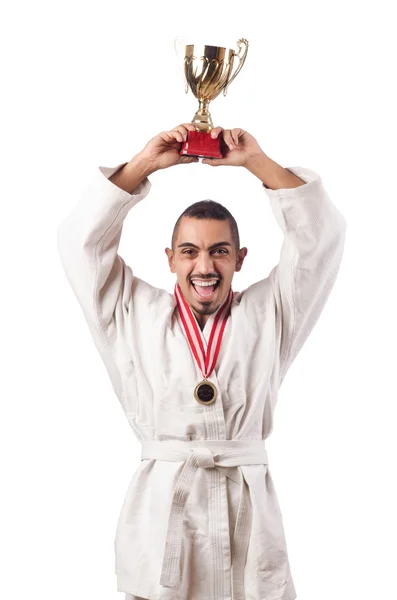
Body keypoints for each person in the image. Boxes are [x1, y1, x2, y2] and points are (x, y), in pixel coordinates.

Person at [57, 123, 347, 600]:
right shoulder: (132, 314)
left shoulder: (271, 313)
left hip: (247, 519)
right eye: (190, 252)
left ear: (240, 258)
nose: (205, 267)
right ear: (171, 258)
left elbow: (322, 239)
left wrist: (256, 161)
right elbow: (79, 243)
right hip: (164, 517)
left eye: (220, 252)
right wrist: (142, 166)